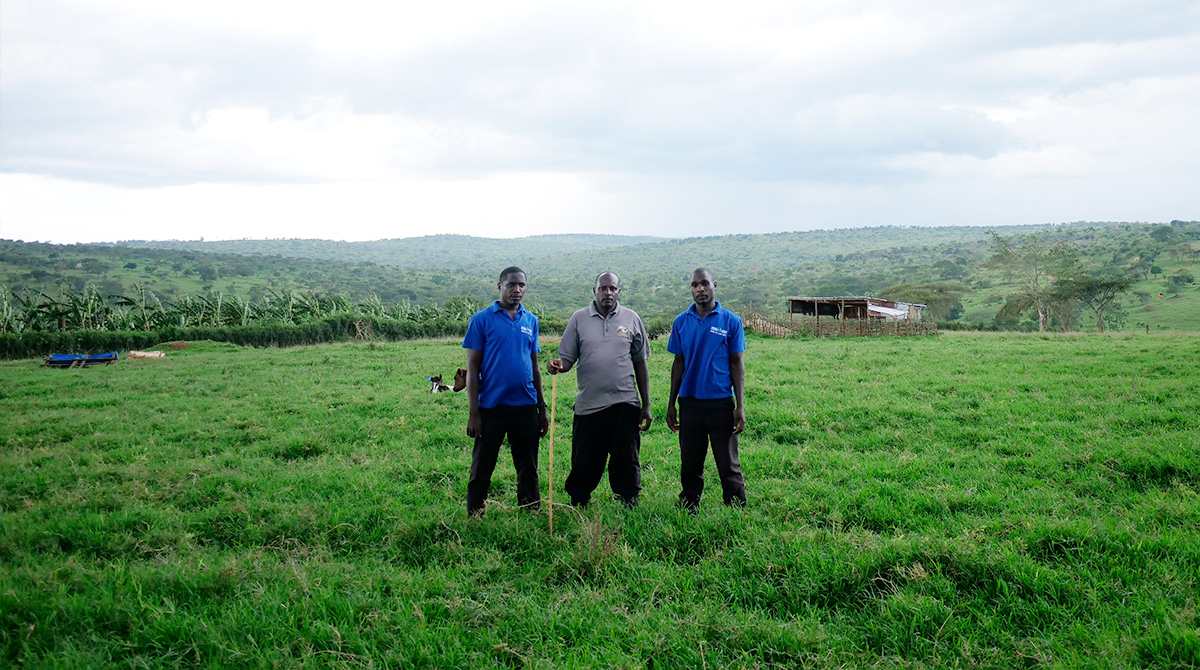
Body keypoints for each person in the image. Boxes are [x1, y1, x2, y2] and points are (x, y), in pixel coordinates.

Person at [548, 272, 652, 508]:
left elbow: (640, 363)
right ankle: (580, 500)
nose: (608, 293)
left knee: (626, 457)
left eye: (612, 288)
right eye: (603, 288)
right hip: (589, 404)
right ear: (594, 291)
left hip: (625, 401)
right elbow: (567, 359)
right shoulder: (578, 319)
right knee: (585, 458)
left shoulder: (632, 318)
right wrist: (557, 365)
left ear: (619, 292)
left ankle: (629, 500)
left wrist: (645, 405)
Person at [463, 266, 549, 516]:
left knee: (528, 466)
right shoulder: (481, 320)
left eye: (522, 285)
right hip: (490, 408)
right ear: (499, 286)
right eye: (511, 284)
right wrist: (474, 412)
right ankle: (475, 514)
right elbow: (472, 368)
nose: (517, 289)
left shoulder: (530, 320)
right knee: (482, 466)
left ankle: (531, 512)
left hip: (525, 406)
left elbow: (534, 367)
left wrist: (541, 408)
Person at [665, 268, 747, 510]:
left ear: (714, 285)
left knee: (727, 461)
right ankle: (689, 504)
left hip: (721, 403)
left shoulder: (731, 321)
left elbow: (736, 363)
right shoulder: (681, 322)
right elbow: (678, 363)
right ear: (691, 289)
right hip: (689, 402)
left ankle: (735, 507)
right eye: (694, 285)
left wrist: (740, 406)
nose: (700, 289)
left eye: (704, 283)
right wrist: (671, 403)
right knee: (690, 461)